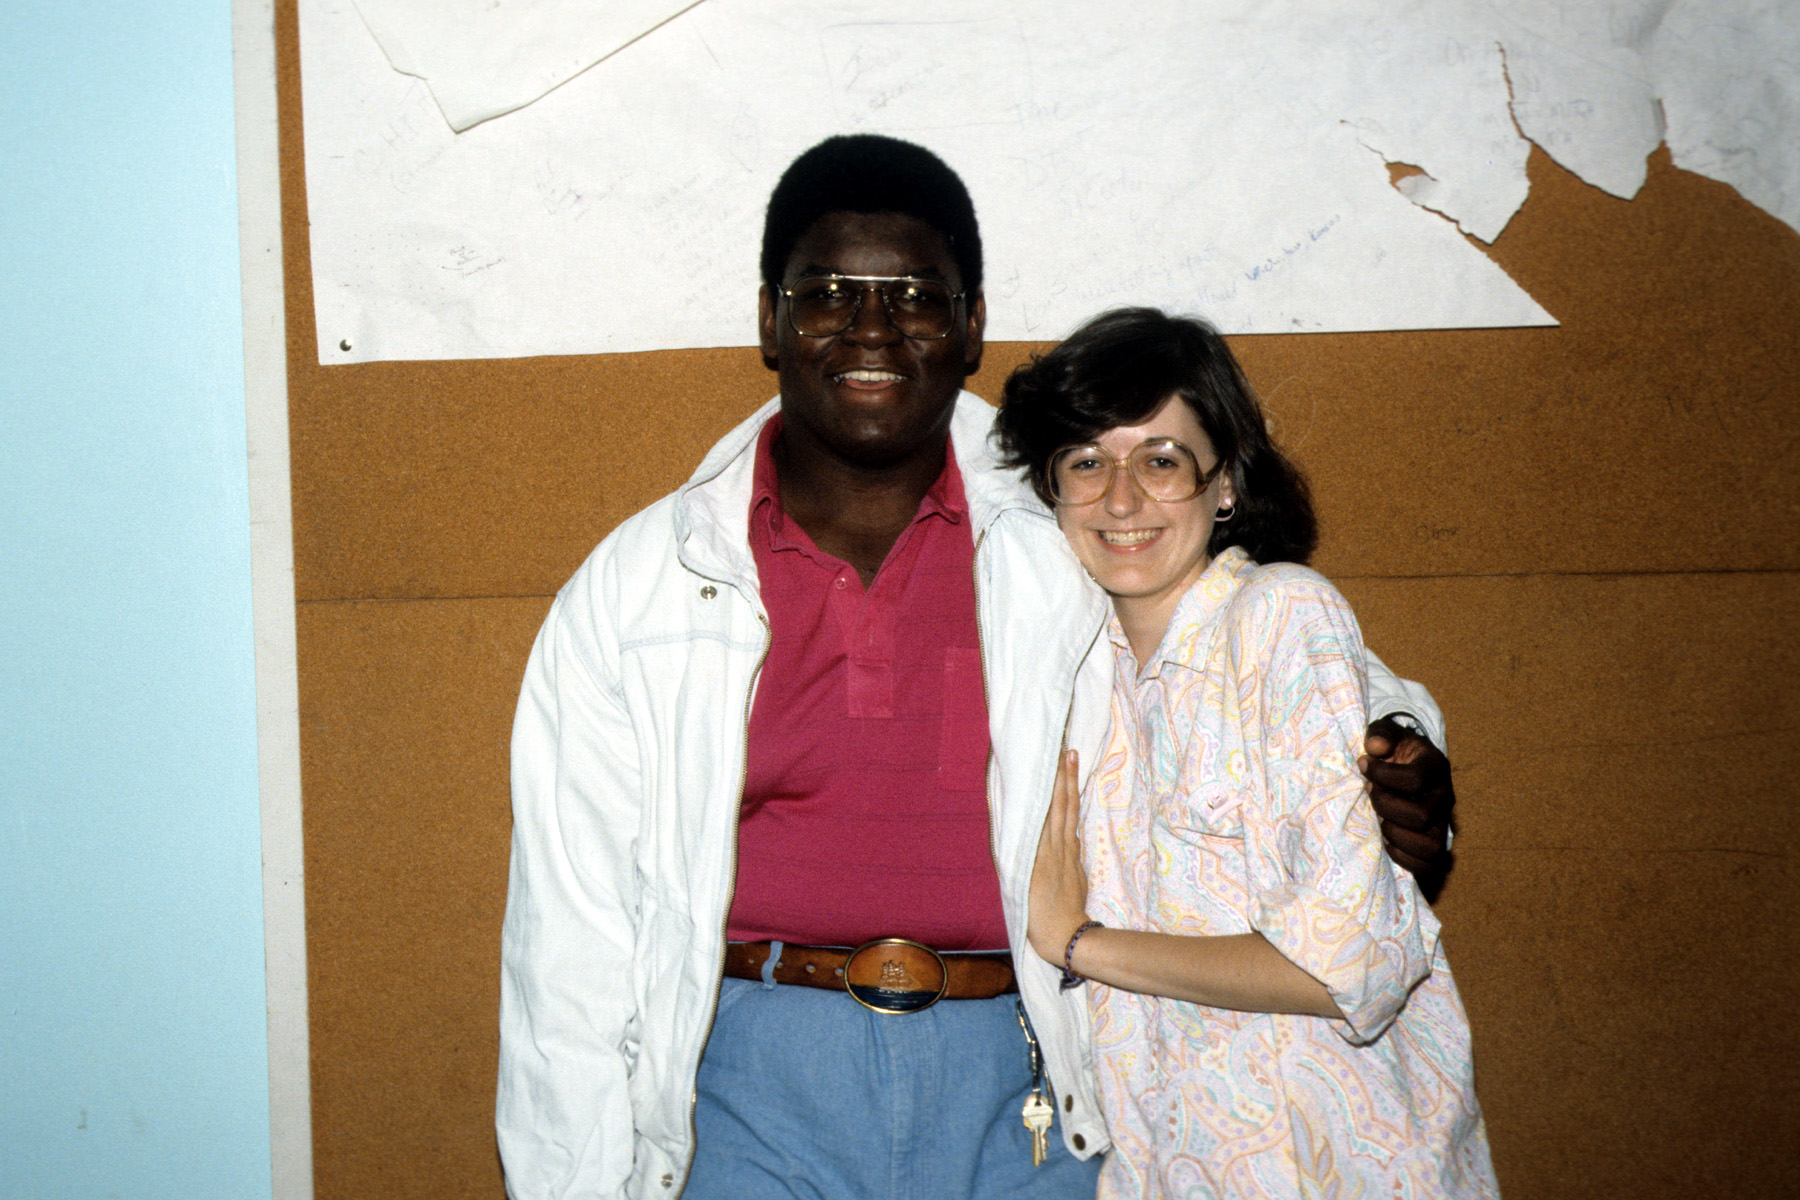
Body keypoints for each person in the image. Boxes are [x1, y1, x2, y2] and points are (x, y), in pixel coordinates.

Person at [496, 135, 1456, 1200]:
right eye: (827, 294)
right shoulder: (648, 585)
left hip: (1025, 1079)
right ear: (770, 321)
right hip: (748, 1087)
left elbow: (1252, 632)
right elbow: (568, 941)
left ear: (969, 326)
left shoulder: (1062, 524)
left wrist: (1400, 743)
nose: (871, 327)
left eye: (915, 296)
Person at [1001, 308, 1497, 1198]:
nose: (1121, 500)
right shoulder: (1074, 678)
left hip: (1335, 1167)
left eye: (1161, 461)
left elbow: (1347, 964)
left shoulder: (1277, 616)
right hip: (1160, 1169)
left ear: (1224, 481)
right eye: (1086, 462)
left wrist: (1076, 941)